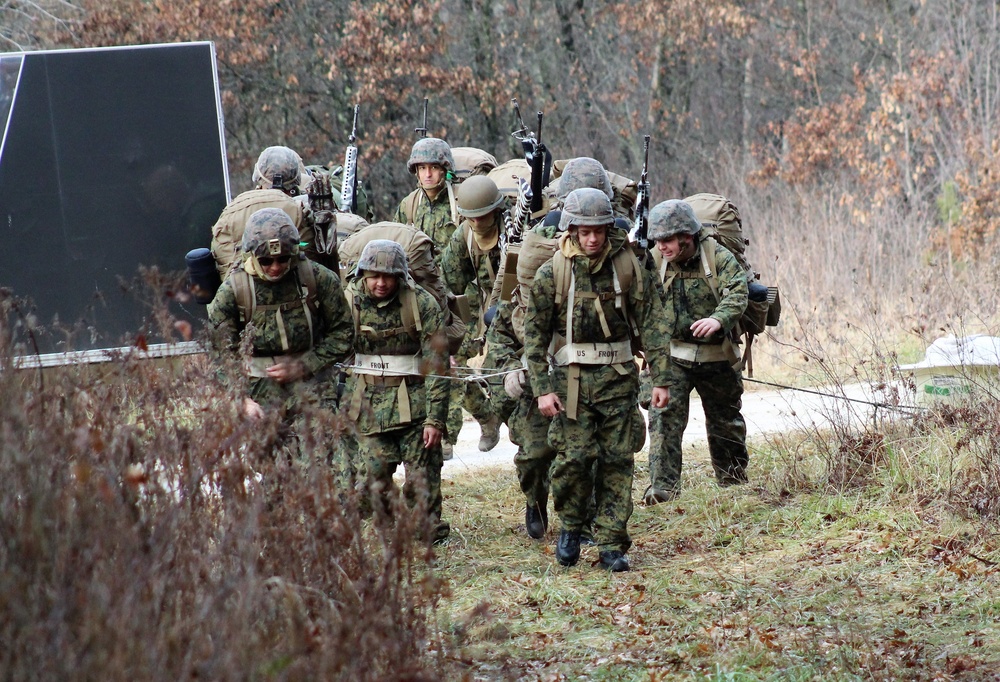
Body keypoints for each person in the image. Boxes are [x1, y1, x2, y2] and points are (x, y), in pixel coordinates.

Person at [524, 188, 672, 572]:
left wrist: (660, 377)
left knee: (617, 462)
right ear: (571, 229)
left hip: (618, 380)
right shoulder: (551, 272)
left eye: (600, 230)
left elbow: (654, 322)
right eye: (585, 231)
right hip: (570, 384)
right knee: (573, 460)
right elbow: (534, 338)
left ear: (609, 229)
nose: (592, 239)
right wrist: (542, 389)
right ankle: (571, 526)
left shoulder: (628, 266)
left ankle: (611, 542)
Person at [207, 208, 355, 478]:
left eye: (283, 259)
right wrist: (241, 399)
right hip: (261, 393)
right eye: (266, 261)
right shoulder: (233, 290)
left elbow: (344, 333)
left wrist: (305, 365)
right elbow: (220, 354)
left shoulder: (317, 279)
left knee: (320, 469)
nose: (275, 267)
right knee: (274, 477)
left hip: (312, 387)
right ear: (252, 256)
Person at [343, 239, 451, 542]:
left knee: (422, 484)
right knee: (372, 477)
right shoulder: (347, 303)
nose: (380, 283)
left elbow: (438, 367)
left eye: (387, 276)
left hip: (414, 405)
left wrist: (434, 420)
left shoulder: (421, 304)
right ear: (362, 274)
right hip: (367, 405)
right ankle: (387, 517)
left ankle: (425, 522)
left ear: (400, 276)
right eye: (373, 275)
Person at [644, 199, 750, 505]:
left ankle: (732, 481)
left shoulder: (717, 257)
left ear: (686, 238)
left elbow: (738, 291)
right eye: (658, 241)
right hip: (672, 356)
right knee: (663, 418)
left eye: (667, 240)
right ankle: (662, 488)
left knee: (724, 420)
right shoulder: (654, 261)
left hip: (716, 355)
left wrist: (718, 319)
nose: (661, 247)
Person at [439, 176, 506, 452]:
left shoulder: (517, 230)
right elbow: (447, 285)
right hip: (481, 309)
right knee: (453, 365)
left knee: (506, 376)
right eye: (471, 218)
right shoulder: (464, 235)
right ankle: (484, 419)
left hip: (522, 306)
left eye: (482, 216)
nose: (477, 223)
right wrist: (447, 333)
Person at [210, 146, 338, 278]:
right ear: (295, 182)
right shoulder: (299, 211)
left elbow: (222, 263)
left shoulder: (230, 212)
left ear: (258, 176)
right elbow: (316, 263)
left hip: (239, 290)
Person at [393, 137, 459, 252]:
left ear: (444, 170)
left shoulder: (460, 200)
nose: (428, 174)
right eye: (422, 168)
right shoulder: (409, 204)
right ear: (417, 172)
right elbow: (394, 245)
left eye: (434, 167)